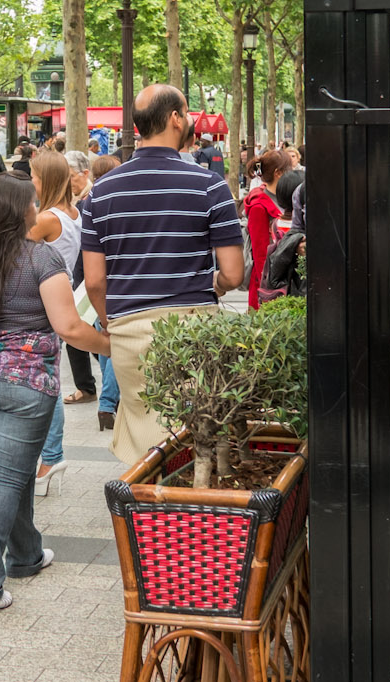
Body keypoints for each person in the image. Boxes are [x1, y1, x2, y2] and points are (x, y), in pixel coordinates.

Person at [0, 171, 109, 610]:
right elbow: (69, 326)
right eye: (33, 203)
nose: (37, 208)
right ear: (22, 211)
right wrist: (114, 347)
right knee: (4, 477)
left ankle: (26, 554)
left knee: (8, 469)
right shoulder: (43, 259)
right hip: (25, 381)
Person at [81, 85, 244, 464]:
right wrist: (214, 285)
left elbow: (94, 282)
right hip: (192, 330)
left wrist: (111, 323)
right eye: (185, 113)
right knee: (191, 438)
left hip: (127, 332)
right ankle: (184, 517)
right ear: (175, 118)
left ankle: (145, 516)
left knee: (144, 440)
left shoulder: (101, 192)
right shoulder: (209, 185)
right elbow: (233, 274)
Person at [25, 151, 86, 495]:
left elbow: (13, 251)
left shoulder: (46, 218)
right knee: (49, 378)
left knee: (47, 383)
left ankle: (51, 457)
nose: (30, 180)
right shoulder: (75, 213)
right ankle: (50, 456)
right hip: (64, 297)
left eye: (34, 175)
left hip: (43, 301)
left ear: (44, 179)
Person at [84, 152, 125, 431]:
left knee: (105, 342)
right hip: (118, 283)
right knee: (115, 346)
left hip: (97, 282)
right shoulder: (119, 204)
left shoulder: (90, 202)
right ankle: (109, 402)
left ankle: (109, 401)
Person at [58, 150, 100, 407]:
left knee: (81, 333)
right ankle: (87, 386)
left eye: (70, 176)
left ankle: (88, 386)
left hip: (86, 278)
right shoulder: (76, 200)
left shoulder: (89, 201)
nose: (66, 181)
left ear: (85, 174)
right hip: (78, 276)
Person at [243, 149, 291, 310]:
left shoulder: (284, 198)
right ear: (278, 173)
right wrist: (268, 289)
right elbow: (260, 254)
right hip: (266, 286)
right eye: (288, 170)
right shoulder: (259, 206)